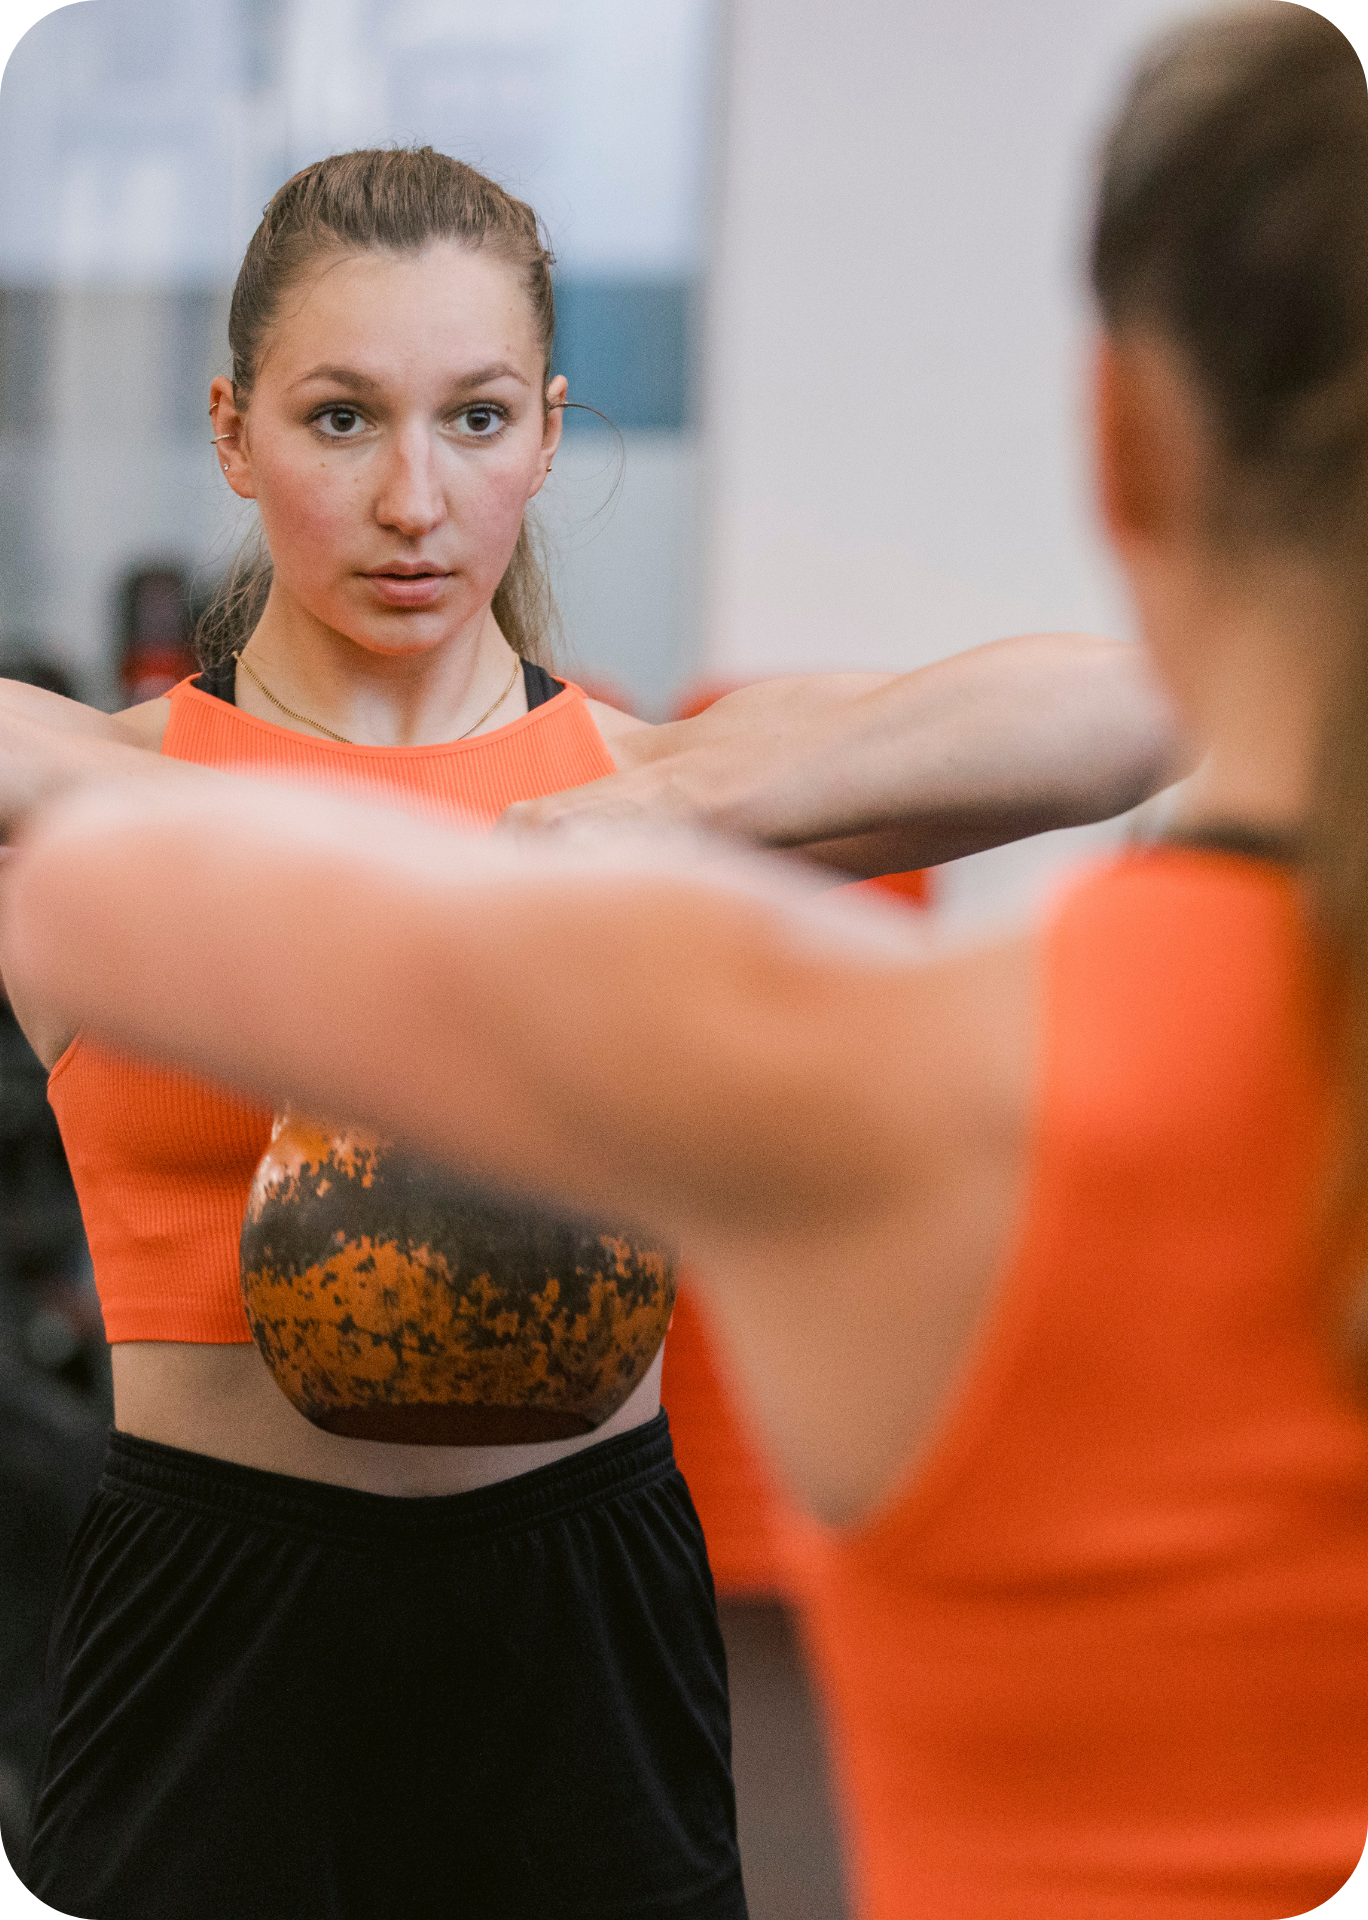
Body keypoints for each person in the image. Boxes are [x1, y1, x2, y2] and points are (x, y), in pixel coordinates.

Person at [7, 5, 1367, 1914]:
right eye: (342, 417)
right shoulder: (92, 788)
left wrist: (672, 824)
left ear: (550, 435)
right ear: (231, 431)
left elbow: (1128, 712)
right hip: (220, 1596)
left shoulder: (645, 770)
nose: (416, 501)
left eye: (478, 418)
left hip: (578, 1592)